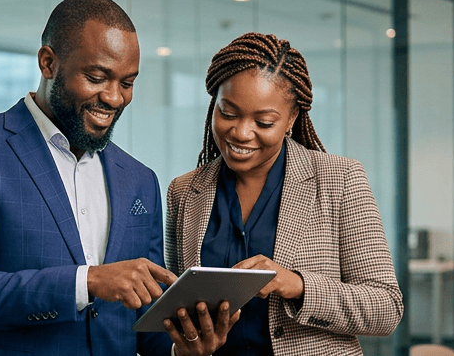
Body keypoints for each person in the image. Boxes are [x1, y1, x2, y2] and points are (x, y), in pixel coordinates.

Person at [0, 0, 237, 356]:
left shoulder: (139, 179)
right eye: (97, 77)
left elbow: (147, 322)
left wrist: (183, 349)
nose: (115, 98)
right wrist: (87, 281)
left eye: (127, 82)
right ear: (48, 63)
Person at [164, 32, 404, 355]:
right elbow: (176, 314)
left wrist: (296, 285)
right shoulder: (183, 192)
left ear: (291, 119)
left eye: (263, 122)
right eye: (228, 113)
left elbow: (386, 307)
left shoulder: (340, 179)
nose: (241, 132)